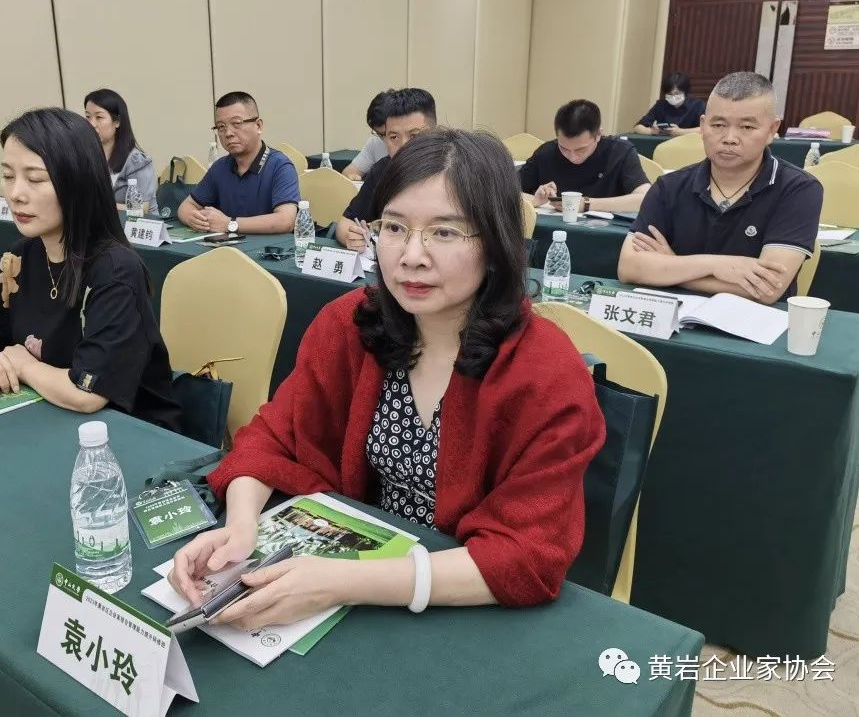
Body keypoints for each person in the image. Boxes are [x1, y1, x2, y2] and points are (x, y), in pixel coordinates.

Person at [167, 129, 606, 630]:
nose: (411, 255)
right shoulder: (351, 323)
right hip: (356, 567)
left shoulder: (545, 369)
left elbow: (529, 554)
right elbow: (274, 435)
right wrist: (241, 527)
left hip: (459, 598)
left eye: (445, 232)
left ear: (495, 242)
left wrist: (341, 581)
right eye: (394, 227)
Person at [0, 108, 182, 431]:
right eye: (8, 176)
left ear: (79, 182)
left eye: (35, 179)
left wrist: (23, 366)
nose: (15, 194)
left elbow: (87, 393)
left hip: (132, 432)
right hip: (55, 418)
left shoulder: (115, 270)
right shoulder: (20, 257)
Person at [618, 72, 822, 304]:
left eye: (747, 127)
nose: (729, 138)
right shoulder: (669, 186)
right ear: (702, 126)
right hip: (672, 315)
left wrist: (671, 267)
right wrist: (716, 265)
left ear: (771, 130)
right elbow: (629, 268)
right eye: (718, 125)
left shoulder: (799, 189)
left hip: (753, 322)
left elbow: (767, 288)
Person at [178, 92, 300, 234]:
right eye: (221, 127)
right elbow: (186, 207)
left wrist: (229, 224)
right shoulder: (220, 167)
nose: (228, 133)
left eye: (236, 123)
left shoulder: (280, 166)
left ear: (258, 125)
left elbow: (285, 221)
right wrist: (195, 219)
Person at [335, 88, 438, 251]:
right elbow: (346, 222)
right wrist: (351, 236)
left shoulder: (457, 170)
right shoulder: (382, 171)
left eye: (415, 136)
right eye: (394, 137)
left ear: (435, 133)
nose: (404, 146)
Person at [520, 100, 650, 213]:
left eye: (580, 149)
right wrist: (535, 201)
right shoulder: (546, 153)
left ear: (598, 134)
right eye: (564, 148)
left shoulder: (620, 152)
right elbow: (508, 192)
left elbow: (645, 198)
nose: (572, 157)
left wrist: (586, 204)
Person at [83, 88, 158, 215]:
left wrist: (99, 204)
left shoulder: (137, 161)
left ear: (117, 121)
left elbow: (141, 209)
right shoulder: (86, 157)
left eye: (99, 117)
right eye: (88, 117)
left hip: (137, 224)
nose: (91, 124)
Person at [633, 72, 706, 136]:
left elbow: (706, 129)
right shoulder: (660, 105)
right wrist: (651, 131)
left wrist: (680, 132)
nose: (673, 97)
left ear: (685, 92)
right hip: (664, 144)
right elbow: (638, 127)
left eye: (677, 93)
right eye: (670, 94)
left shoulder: (698, 105)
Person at [342, 90, 393, 182]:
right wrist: (352, 177)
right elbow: (348, 173)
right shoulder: (375, 141)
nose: (386, 140)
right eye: (380, 134)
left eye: (392, 135)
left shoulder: (415, 143)